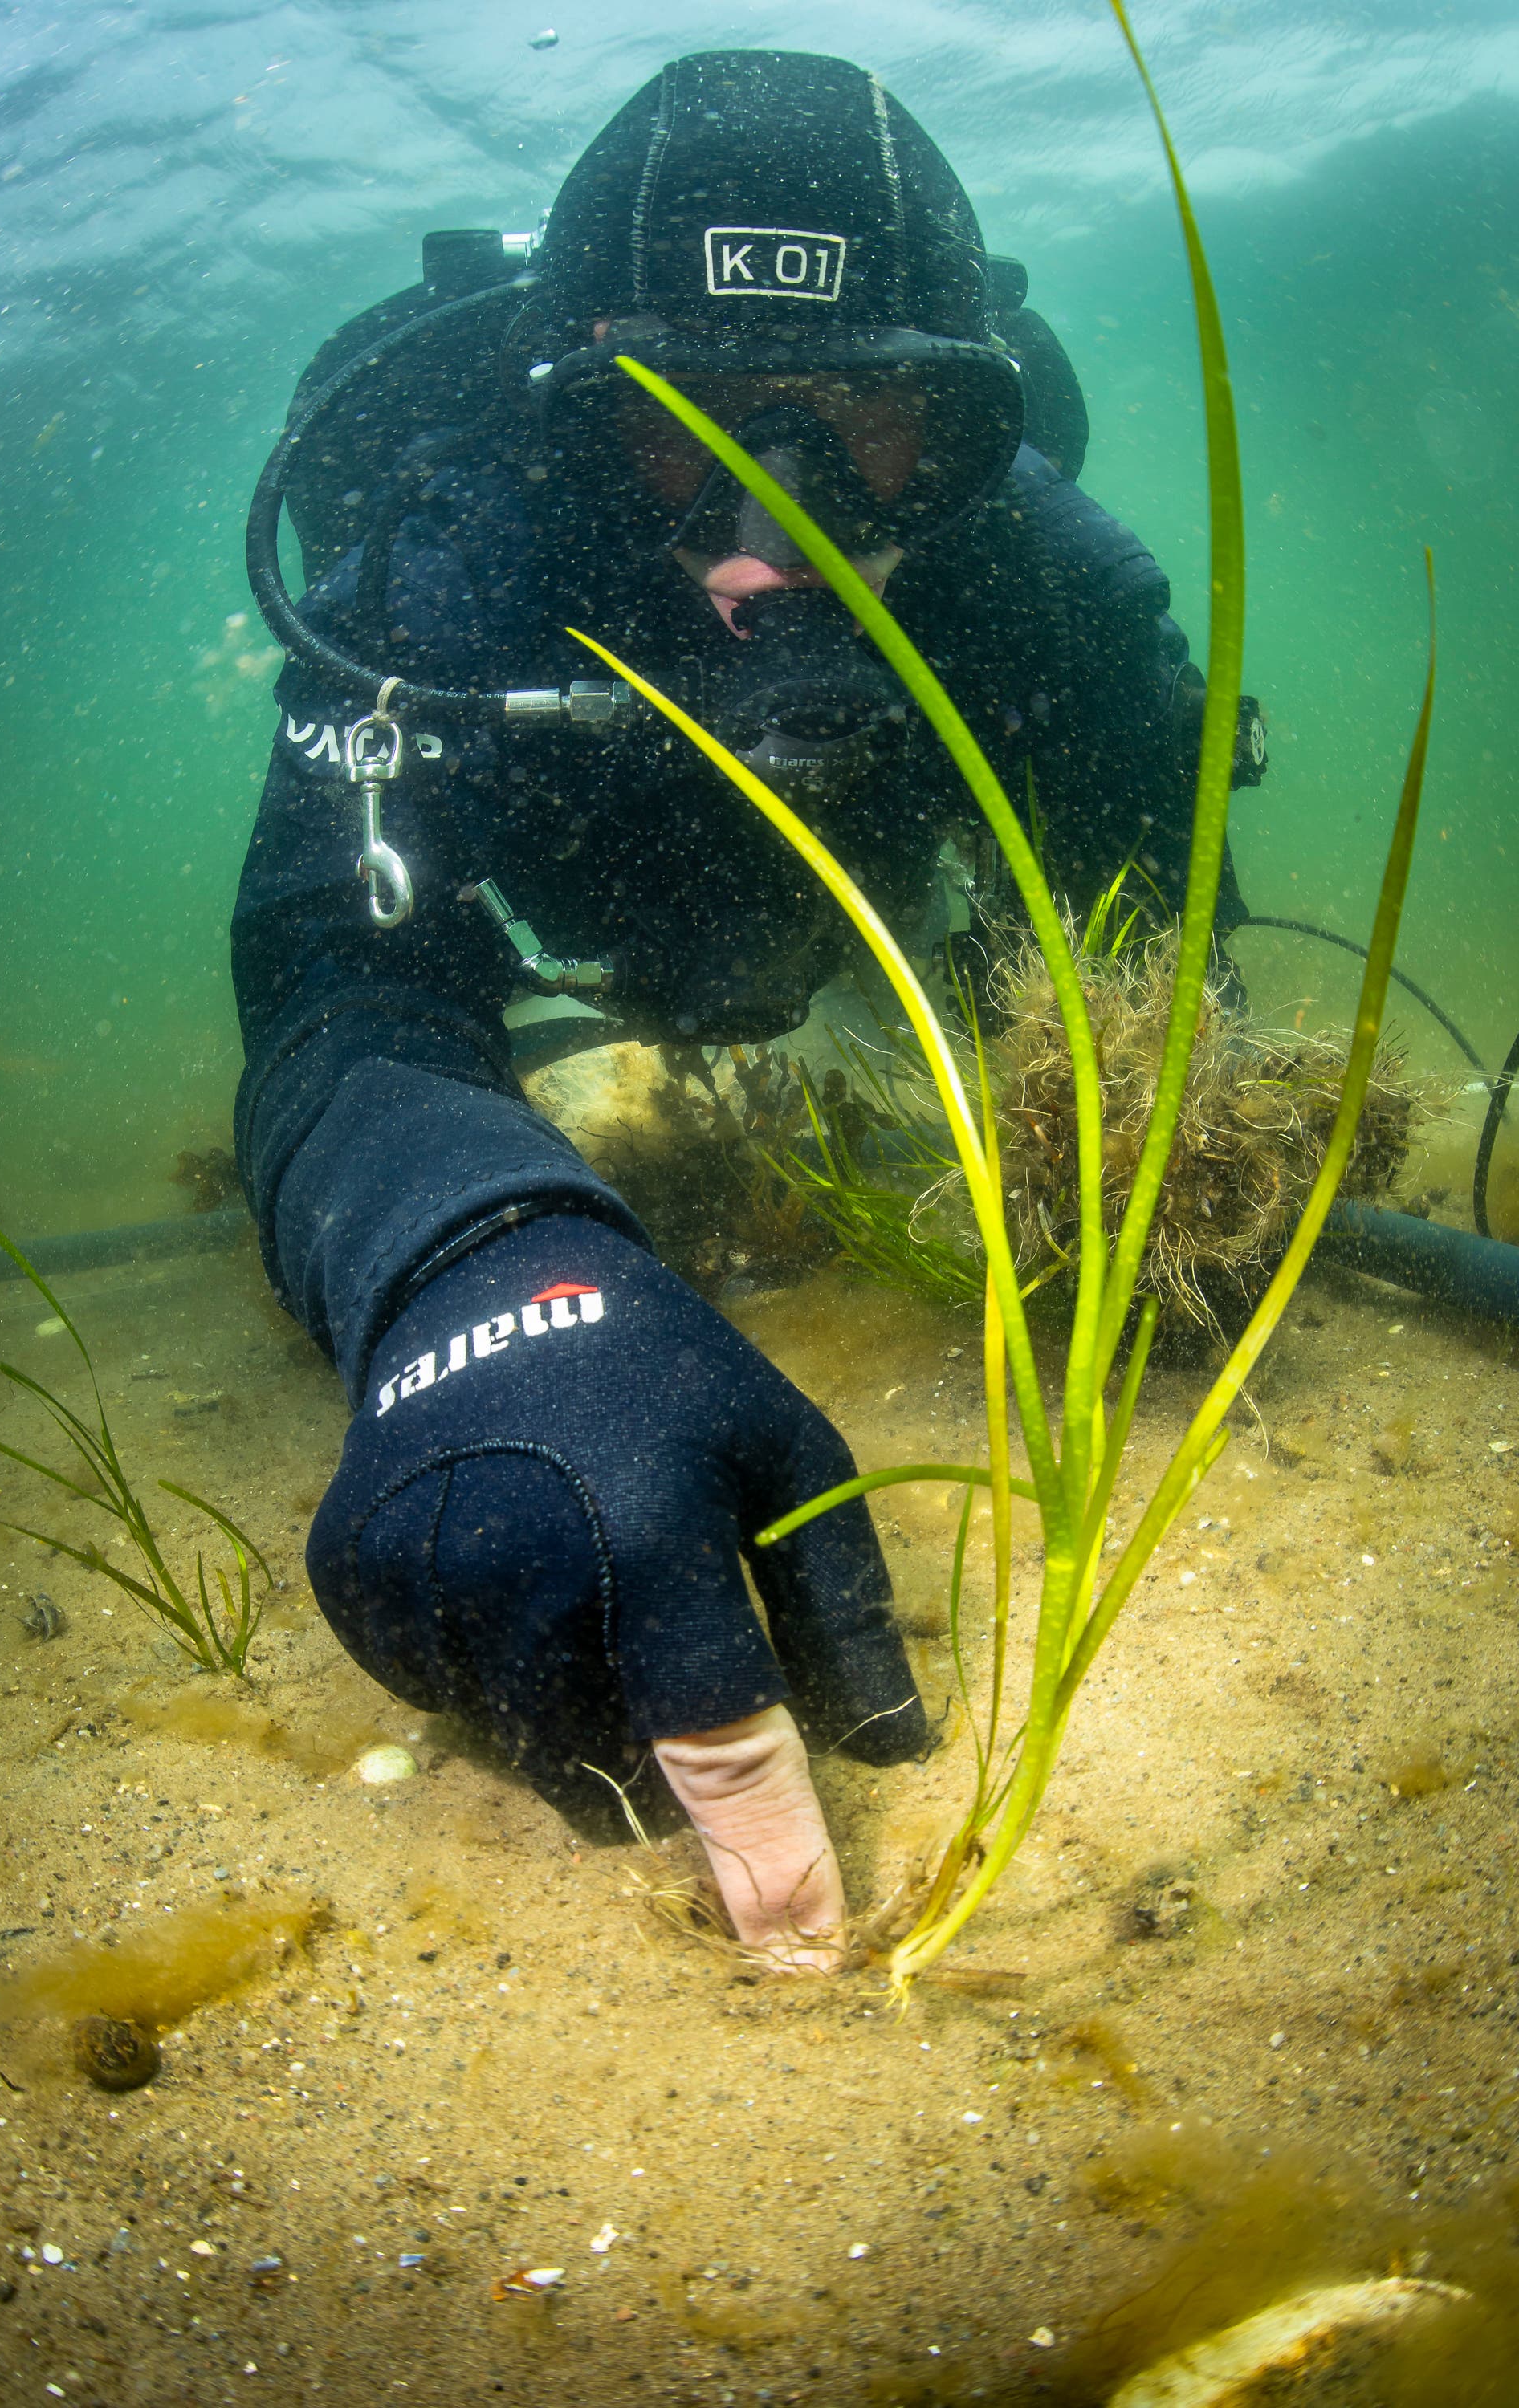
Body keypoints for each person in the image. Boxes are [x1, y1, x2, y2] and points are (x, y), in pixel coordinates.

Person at [231, 48, 1262, 1971]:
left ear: (972, 439)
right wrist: (480, 1269)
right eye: (666, 425)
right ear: (557, 434)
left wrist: (1125, 1123)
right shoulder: (442, 593)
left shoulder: (1042, 585)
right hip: (590, 921)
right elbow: (334, 984)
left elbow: (1146, 947)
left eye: (874, 419)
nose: (763, 531)